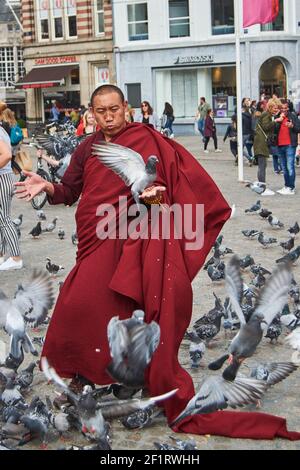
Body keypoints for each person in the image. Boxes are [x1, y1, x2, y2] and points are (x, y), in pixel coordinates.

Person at [14, 85, 300, 441]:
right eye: (100, 111)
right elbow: (70, 190)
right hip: (93, 234)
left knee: (90, 301)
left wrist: (152, 199)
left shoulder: (145, 140)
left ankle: (120, 375)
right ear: (91, 112)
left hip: (127, 237)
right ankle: (90, 374)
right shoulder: (88, 146)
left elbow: (160, 192)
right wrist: (48, 187)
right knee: (89, 306)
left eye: (114, 109)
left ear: (126, 109)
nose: (108, 116)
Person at [0, 116, 23, 271]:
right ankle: (2, 255)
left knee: (5, 219)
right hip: (6, 177)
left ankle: (15, 258)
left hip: (2, 177)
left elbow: (7, 155)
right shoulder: (2, 129)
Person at [253, 99, 280, 196]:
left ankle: (262, 187)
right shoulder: (266, 114)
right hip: (261, 143)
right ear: (270, 107)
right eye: (275, 108)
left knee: (262, 166)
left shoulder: (268, 115)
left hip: (261, 142)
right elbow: (265, 127)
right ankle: (262, 189)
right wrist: (276, 120)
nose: (276, 110)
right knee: (262, 166)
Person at [275, 99, 300, 195]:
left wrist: (292, 126)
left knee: (290, 166)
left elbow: (298, 128)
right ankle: (286, 186)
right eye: (282, 108)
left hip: (290, 144)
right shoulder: (278, 116)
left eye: (285, 108)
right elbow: (274, 129)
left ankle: (291, 187)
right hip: (280, 144)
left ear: (288, 108)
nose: (284, 110)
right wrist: (278, 120)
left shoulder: (293, 116)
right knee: (284, 167)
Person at [242, 97, 254, 165]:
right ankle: (250, 158)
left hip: (247, 132)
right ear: (243, 102)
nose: (247, 102)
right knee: (243, 147)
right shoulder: (241, 109)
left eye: (248, 101)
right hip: (243, 131)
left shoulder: (250, 110)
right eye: (246, 101)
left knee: (240, 148)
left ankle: (250, 158)